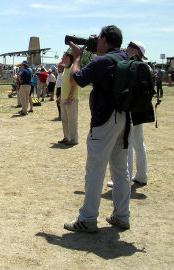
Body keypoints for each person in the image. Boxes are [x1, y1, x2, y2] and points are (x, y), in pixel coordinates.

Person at [63, 25, 131, 232]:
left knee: (95, 169)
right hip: (123, 118)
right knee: (121, 171)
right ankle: (122, 215)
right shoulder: (124, 59)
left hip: (104, 120)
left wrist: (77, 57)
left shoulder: (102, 61)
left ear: (105, 40)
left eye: (99, 37)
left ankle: (88, 218)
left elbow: (79, 78)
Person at [107, 41, 153, 188]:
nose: (125, 50)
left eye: (128, 48)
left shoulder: (131, 67)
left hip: (131, 109)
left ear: (134, 51)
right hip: (141, 109)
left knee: (127, 143)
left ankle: (123, 178)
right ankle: (142, 175)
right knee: (139, 144)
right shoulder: (145, 67)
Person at [58, 48, 79, 146]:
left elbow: (74, 84)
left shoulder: (72, 69)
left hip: (71, 98)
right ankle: (67, 137)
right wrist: (60, 96)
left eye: (63, 56)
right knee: (65, 119)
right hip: (64, 98)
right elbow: (64, 85)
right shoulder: (65, 69)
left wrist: (70, 96)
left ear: (68, 57)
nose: (62, 57)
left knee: (72, 120)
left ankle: (74, 139)